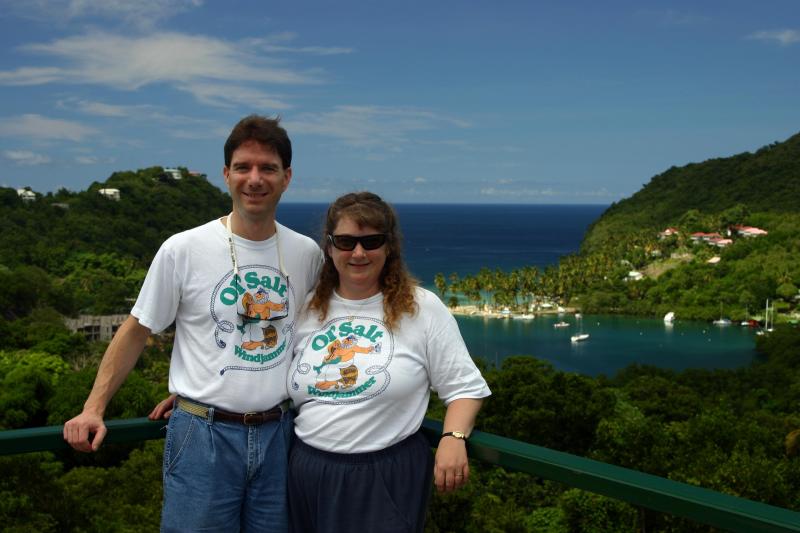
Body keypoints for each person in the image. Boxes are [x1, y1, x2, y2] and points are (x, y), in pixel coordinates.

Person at [63, 115, 324, 533]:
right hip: (203, 435)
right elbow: (136, 330)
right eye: (243, 167)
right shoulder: (183, 249)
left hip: (279, 434)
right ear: (226, 175)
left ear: (286, 177)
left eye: (267, 168)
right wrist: (94, 408)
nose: (254, 179)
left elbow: (316, 339)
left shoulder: (306, 253)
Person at [286, 191, 490, 533]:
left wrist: (453, 437)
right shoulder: (306, 308)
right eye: (346, 242)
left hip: (383, 474)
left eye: (372, 241)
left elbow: (465, 388)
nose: (359, 252)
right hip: (307, 469)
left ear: (389, 246)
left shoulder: (422, 308)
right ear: (330, 246)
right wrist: (195, 398)